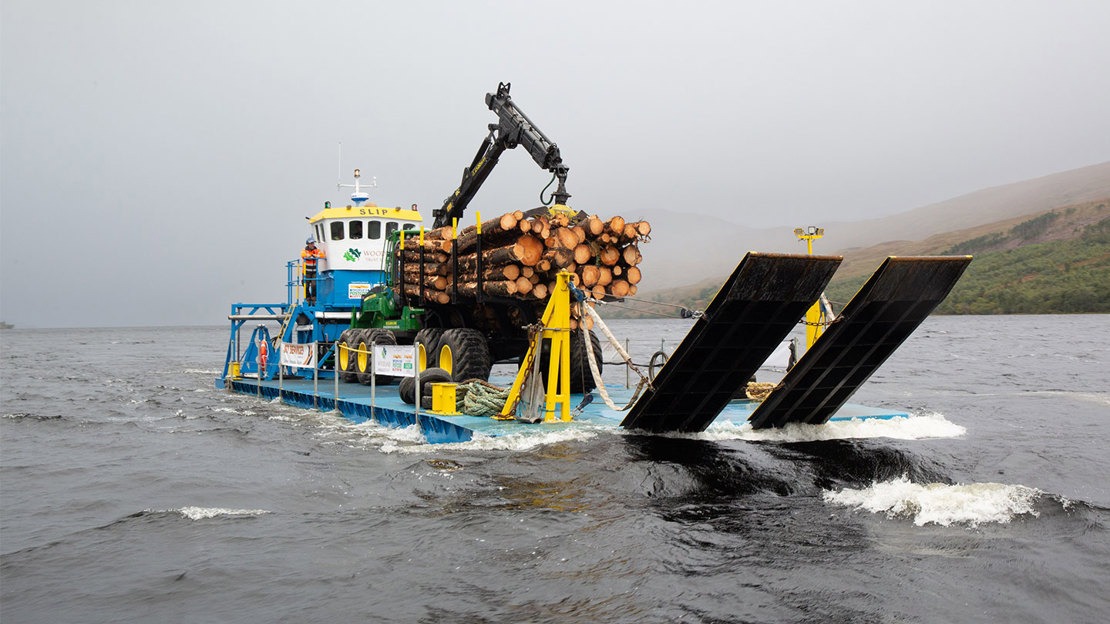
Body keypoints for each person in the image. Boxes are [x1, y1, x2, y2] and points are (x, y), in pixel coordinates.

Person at [301, 237, 325, 304]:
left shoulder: (317, 250)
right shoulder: (304, 250)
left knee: (314, 285)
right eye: (311, 243)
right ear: (308, 244)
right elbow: (304, 255)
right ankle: (308, 299)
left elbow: (322, 255)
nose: (312, 244)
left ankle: (314, 299)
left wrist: (312, 255)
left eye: (313, 243)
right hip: (306, 272)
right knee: (306, 285)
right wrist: (312, 256)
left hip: (314, 272)